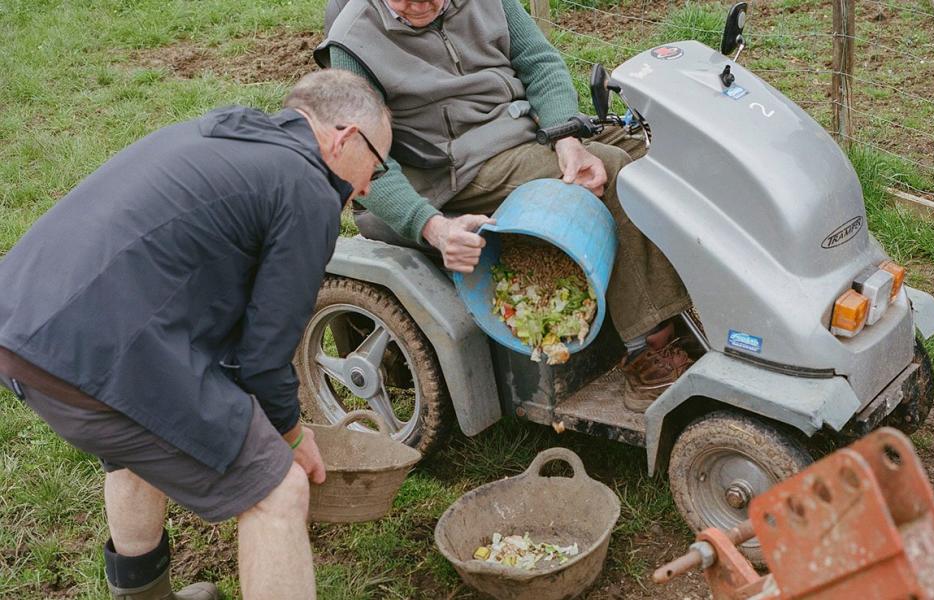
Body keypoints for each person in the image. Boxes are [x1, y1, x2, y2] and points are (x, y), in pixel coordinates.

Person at [0, 69, 391, 600]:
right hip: (98, 354)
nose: (368, 187)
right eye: (377, 164)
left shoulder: (221, 134)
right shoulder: (307, 187)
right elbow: (265, 357)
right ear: (344, 137)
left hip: (25, 327)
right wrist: (293, 438)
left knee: (139, 446)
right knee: (278, 488)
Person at [318, 0, 693, 411]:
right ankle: (648, 351)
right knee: (614, 172)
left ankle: (694, 305)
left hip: (525, 131)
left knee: (656, 156)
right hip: (452, 170)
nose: (422, 4)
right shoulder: (353, 40)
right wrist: (431, 225)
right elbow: (361, 161)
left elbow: (540, 62)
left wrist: (567, 135)